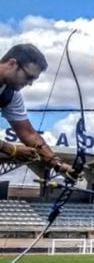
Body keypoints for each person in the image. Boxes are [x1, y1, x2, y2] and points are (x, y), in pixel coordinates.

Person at [0, 44, 78, 179]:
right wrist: (11, 149)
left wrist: (57, 164)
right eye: (29, 77)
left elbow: (29, 134)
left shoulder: (10, 94)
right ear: (12, 64)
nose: (30, 83)